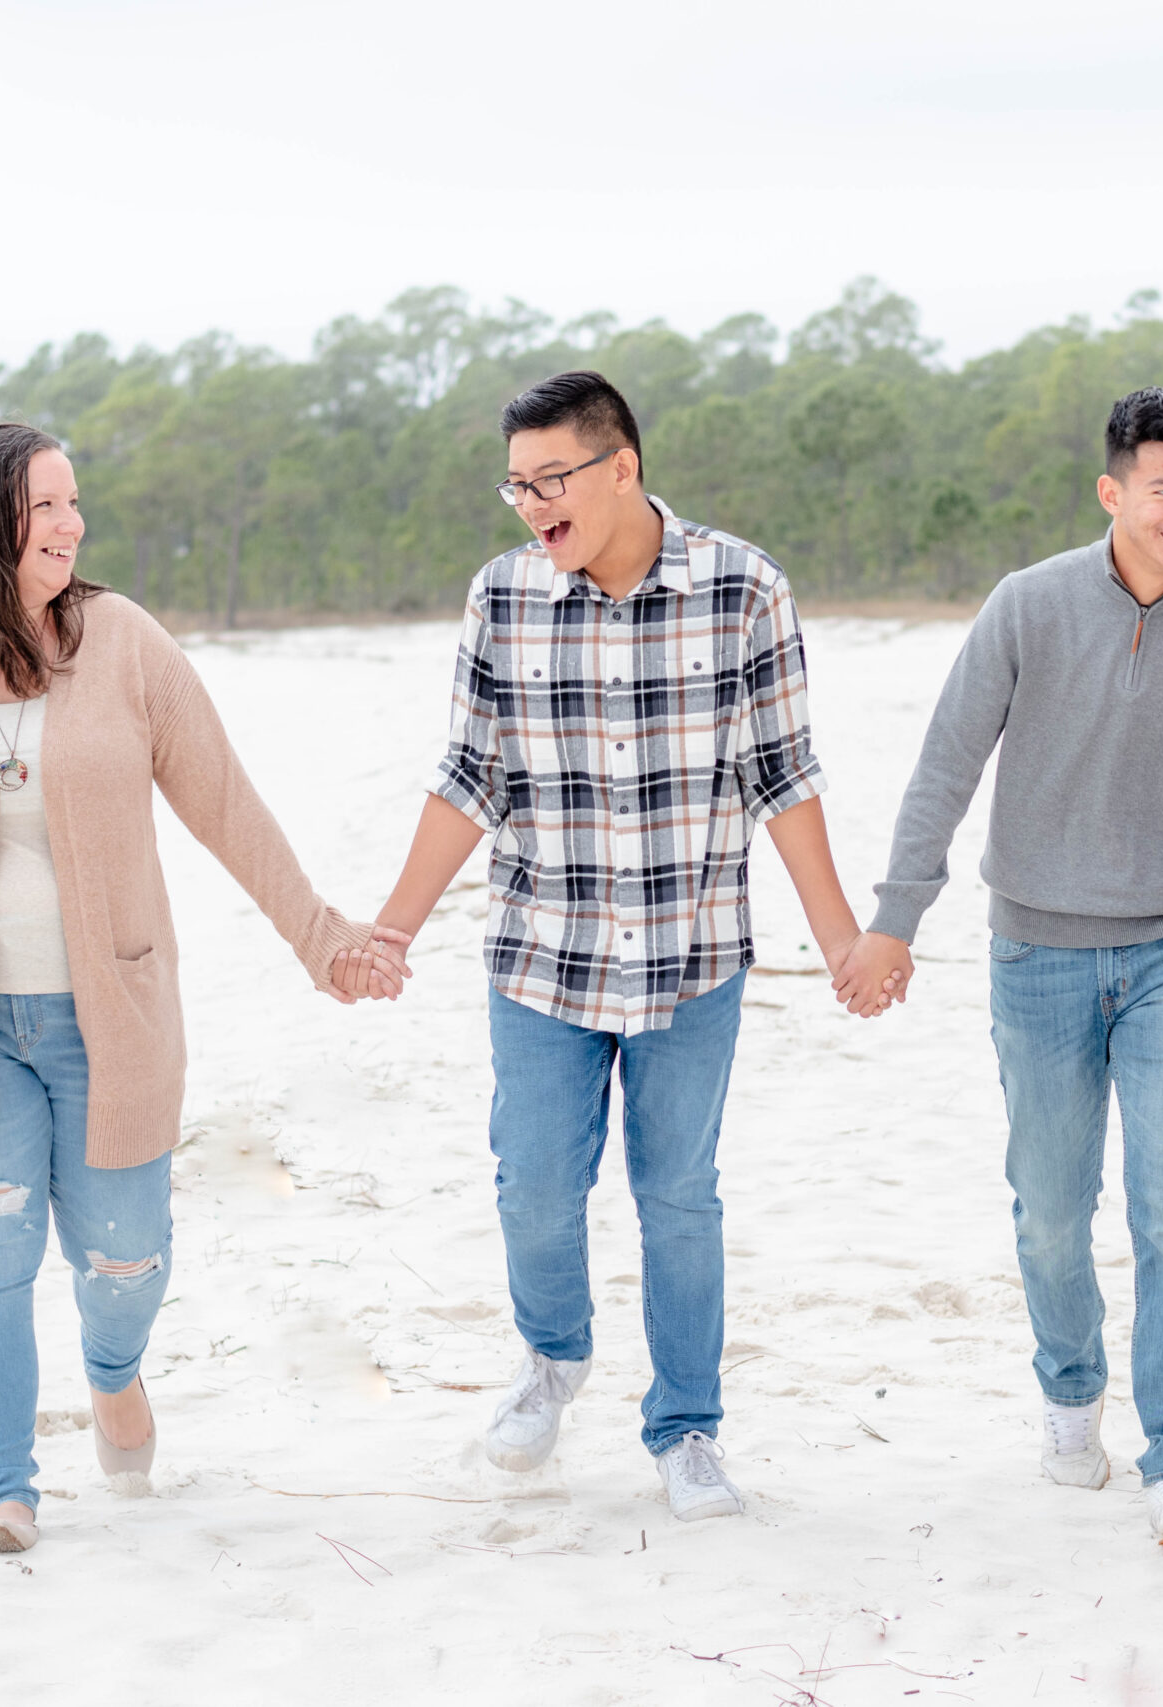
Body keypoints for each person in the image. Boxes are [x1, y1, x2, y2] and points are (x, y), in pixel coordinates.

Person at [0, 421, 407, 1554]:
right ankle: (3, 1491)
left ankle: (114, 1378)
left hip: (106, 1014)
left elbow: (226, 802)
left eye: (75, 504)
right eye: (48, 507)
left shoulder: (122, 644)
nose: (73, 526)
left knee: (123, 1257)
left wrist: (322, 940)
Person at [358, 371, 891, 1524]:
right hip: (540, 954)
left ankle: (687, 1428)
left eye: (551, 480)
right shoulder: (501, 596)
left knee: (678, 1196)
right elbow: (469, 779)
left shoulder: (743, 587)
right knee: (535, 1186)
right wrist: (394, 923)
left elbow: (783, 778)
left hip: (691, 957)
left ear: (621, 469)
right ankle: (553, 1360)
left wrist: (843, 939)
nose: (531, 505)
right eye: (517, 485)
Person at [840, 387, 1163, 1547]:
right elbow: (946, 765)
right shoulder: (1027, 606)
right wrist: (895, 918)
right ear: (1113, 491)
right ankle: (1068, 1392)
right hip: (1035, 947)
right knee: (1049, 1211)